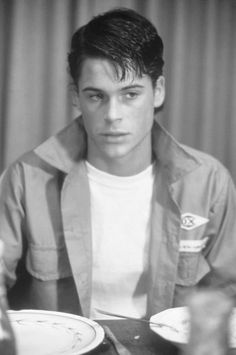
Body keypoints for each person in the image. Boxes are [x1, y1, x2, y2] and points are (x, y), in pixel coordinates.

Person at [0, 7, 236, 320]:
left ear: (158, 91)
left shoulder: (208, 181)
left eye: (130, 94)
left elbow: (227, 293)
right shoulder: (26, 177)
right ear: (76, 97)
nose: (113, 115)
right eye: (96, 96)